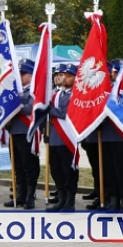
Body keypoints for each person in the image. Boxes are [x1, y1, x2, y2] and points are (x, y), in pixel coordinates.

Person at [3, 59, 40, 209]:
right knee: (17, 165)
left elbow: (31, 108)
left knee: (28, 166)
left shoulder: (35, 90)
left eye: (23, 73)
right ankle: (19, 196)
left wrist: (14, 104)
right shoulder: (16, 90)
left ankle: (30, 197)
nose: (21, 76)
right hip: (14, 131)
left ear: (31, 74)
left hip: (28, 132)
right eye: (19, 73)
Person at [46, 64, 79, 212]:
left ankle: (70, 201)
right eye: (63, 75)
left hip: (68, 137)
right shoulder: (56, 94)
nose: (64, 77)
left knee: (68, 170)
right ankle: (61, 197)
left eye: (68, 75)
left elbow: (67, 112)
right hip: (54, 137)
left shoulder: (77, 94)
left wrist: (50, 109)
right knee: (56, 170)